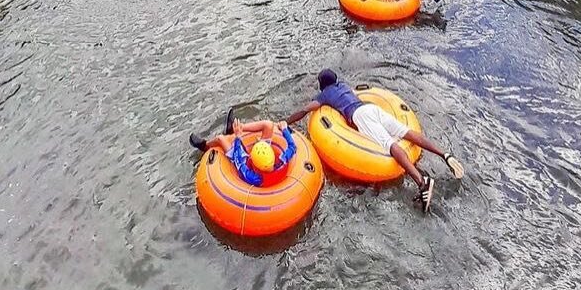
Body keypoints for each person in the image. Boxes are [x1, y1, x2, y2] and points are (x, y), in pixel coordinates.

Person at [286, 69, 463, 213]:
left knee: (390, 145)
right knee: (405, 132)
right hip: (371, 108)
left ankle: (421, 182)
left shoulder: (324, 95)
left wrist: (286, 122)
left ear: (321, 85)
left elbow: (304, 110)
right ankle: (444, 154)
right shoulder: (344, 86)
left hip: (360, 116)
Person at [189, 109, 297, 186]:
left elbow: (239, 160)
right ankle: (236, 128)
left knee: (220, 139)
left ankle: (204, 146)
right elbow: (292, 147)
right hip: (259, 165)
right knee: (268, 125)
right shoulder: (281, 162)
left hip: (242, 163)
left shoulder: (253, 177)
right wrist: (284, 129)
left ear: (253, 160)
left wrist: (238, 138)